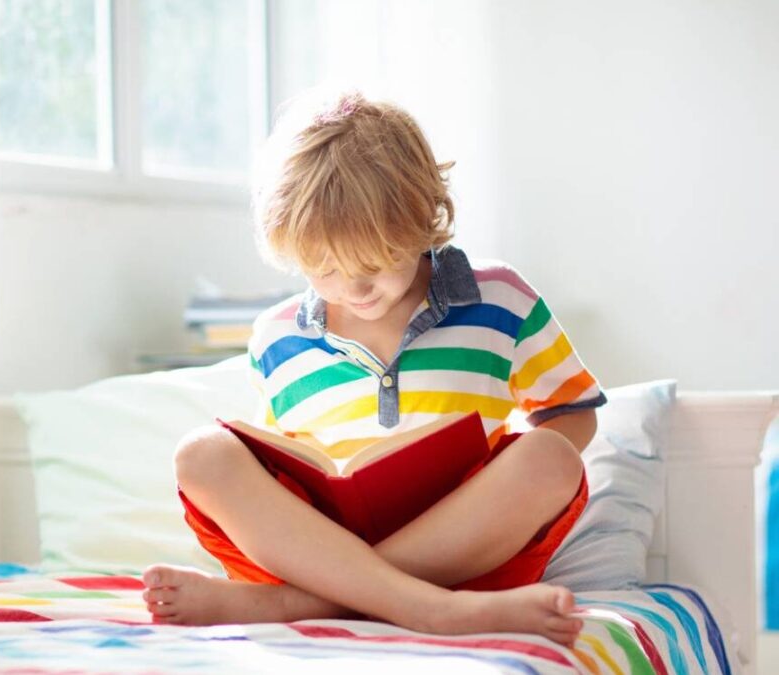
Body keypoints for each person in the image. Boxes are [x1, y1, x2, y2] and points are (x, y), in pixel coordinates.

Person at [140, 90, 606, 646]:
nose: (353, 289)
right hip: (323, 548)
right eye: (325, 270)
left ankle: (296, 605)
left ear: (424, 218)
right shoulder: (275, 336)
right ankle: (423, 608)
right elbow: (287, 473)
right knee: (202, 454)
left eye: (375, 264)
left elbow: (573, 414)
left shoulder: (501, 298)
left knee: (551, 455)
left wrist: (513, 472)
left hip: (467, 552)